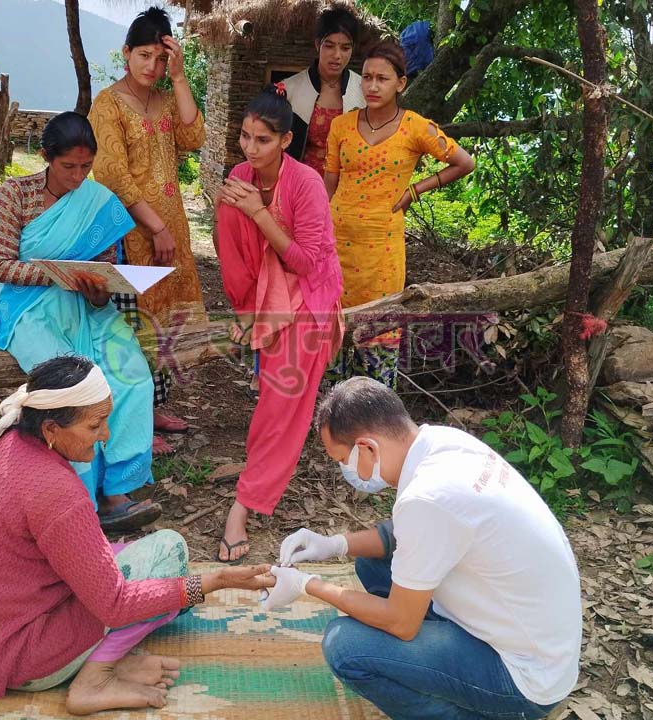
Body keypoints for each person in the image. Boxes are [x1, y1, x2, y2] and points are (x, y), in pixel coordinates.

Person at [0, 355, 273, 714]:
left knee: (141, 575)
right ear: (51, 429)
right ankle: (96, 679)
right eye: (95, 425)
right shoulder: (56, 492)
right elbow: (115, 605)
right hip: (22, 658)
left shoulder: (6, 442)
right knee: (169, 553)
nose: (105, 435)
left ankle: (99, 659)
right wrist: (213, 581)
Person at [262, 377, 581, 720]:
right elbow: (402, 534)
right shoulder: (443, 443)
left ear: (368, 448)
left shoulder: (428, 498)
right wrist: (334, 545)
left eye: (343, 459)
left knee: (344, 646)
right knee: (369, 565)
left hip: (523, 678)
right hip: (537, 641)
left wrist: (307, 585)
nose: (346, 471)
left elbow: (401, 623)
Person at [0, 111, 161, 532]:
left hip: (87, 307)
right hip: (27, 309)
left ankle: (117, 487)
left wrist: (98, 289)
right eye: (69, 166)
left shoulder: (98, 202)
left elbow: (102, 269)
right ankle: (75, 496)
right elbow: (0, 266)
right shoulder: (13, 196)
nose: (78, 176)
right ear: (46, 156)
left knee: (131, 373)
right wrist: (55, 273)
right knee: (71, 388)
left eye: (86, 166)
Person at [213, 85, 345, 562]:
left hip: (308, 291)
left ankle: (242, 507)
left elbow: (309, 263)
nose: (250, 149)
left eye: (262, 140)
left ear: (285, 141)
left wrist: (261, 212)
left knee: (281, 400)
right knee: (229, 204)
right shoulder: (240, 176)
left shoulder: (306, 183)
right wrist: (244, 307)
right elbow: (232, 249)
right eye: (245, 137)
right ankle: (249, 315)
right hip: (260, 291)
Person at [89, 7, 207, 456]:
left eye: (161, 59)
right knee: (131, 325)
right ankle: (131, 418)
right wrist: (154, 226)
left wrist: (179, 79)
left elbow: (194, 137)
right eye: (144, 56)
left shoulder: (164, 98)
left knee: (163, 325)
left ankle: (154, 407)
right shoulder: (108, 104)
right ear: (126, 53)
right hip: (130, 233)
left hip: (171, 229)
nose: (152, 67)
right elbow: (113, 173)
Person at [324, 39, 475, 388]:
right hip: (336, 244)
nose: (373, 86)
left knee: (378, 337)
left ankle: (376, 422)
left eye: (383, 78)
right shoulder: (341, 126)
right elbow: (328, 184)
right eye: (367, 77)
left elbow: (464, 162)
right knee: (333, 338)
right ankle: (335, 424)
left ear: (401, 83)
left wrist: (416, 190)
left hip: (383, 251)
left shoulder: (416, 127)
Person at [281, 5, 366, 173]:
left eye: (345, 48)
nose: (337, 55)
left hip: (348, 188)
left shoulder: (363, 90)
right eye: (329, 46)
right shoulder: (290, 89)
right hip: (301, 184)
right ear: (317, 45)